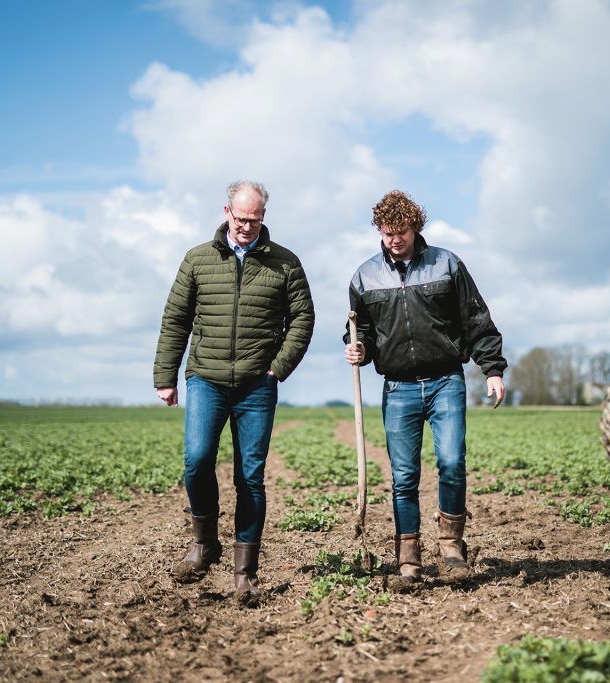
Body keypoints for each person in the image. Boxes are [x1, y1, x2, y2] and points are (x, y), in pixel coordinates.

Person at [154, 180, 314, 604]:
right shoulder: (197, 259)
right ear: (226, 212)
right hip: (205, 377)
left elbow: (302, 320)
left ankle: (245, 573)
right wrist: (165, 376)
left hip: (256, 385)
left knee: (250, 477)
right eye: (240, 218)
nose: (246, 226)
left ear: (264, 218)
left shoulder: (285, 263)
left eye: (255, 219)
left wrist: (277, 368)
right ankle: (205, 543)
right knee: (197, 459)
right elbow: (175, 319)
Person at [344, 190, 506, 587]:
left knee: (451, 463)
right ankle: (408, 558)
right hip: (397, 388)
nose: (394, 239)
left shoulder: (447, 265)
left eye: (400, 230)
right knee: (403, 478)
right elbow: (361, 330)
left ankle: (452, 547)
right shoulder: (364, 277)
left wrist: (492, 369)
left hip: (445, 381)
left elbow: (476, 319)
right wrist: (358, 348)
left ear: (415, 227)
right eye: (387, 232)